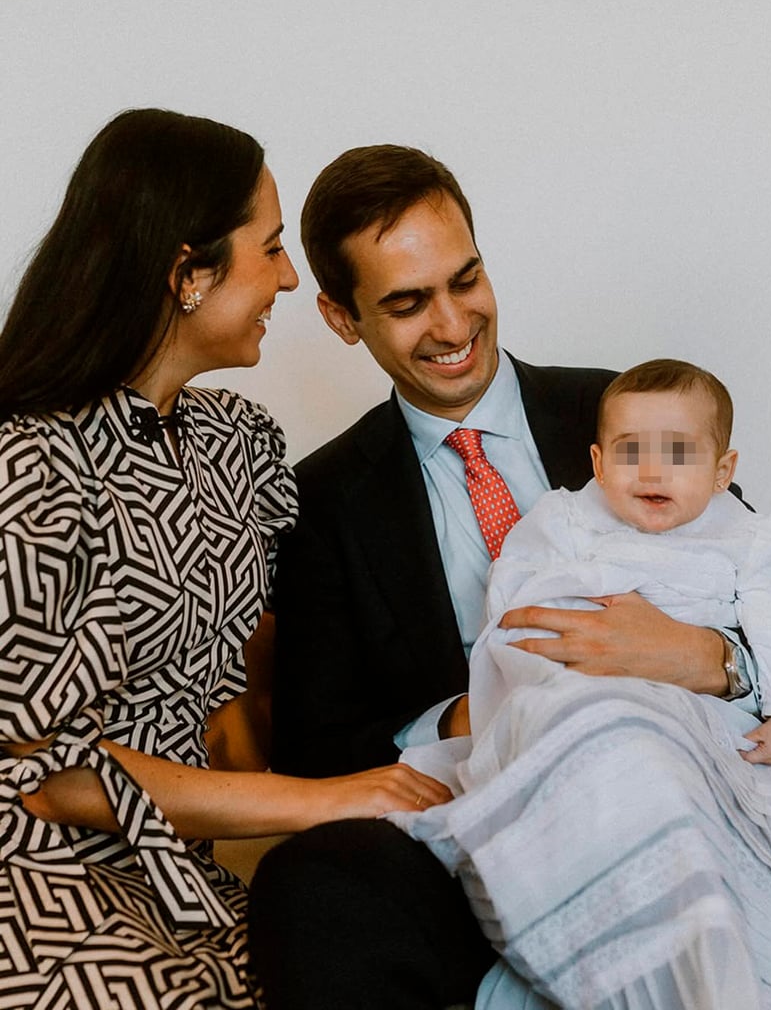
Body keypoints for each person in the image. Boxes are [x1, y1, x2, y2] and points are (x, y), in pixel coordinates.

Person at [249, 145, 761, 1009]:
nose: (452, 325)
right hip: (471, 812)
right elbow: (314, 742)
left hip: (671, 775)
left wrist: (702, 657)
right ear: (341, 317)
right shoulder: (321, 499)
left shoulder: (625, 409)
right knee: (312, 890)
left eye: (465, 279)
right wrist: (485, 704)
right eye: (408, 303)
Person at [0, 109, 450, 1010]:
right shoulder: (29, 461)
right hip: (39, 874)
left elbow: (263, 683)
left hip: (189, 882)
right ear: (187, 275)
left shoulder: (239, 447)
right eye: (272, 248)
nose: (288, 277)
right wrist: (320, 801)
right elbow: (45, 775)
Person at [391, 359, 771, 1010]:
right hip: (579, 699)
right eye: (629, 453)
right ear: (596, 462)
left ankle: (704, 951)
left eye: (677, 453)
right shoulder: (564, 523)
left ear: (722, 469)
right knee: (602, 742)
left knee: (720, 813)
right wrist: (547, 703)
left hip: (707, 725)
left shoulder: (755, 539)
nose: (651, 471)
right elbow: (515, 617)